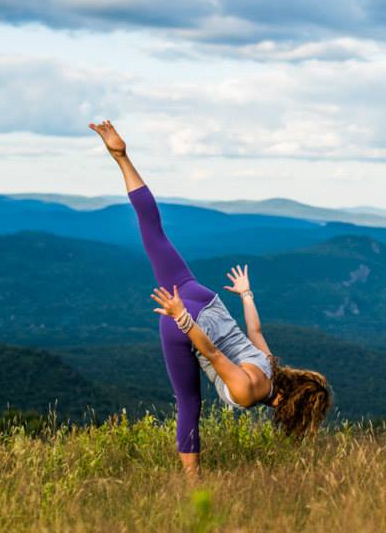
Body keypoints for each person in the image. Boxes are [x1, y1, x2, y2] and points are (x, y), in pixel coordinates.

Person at [89, 120, 331, 476]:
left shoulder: (268, 365)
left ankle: (121, 158)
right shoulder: (248, 391)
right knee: (189, 402)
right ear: (289, 410)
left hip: (205, 298)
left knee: (154, 233)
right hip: (186, 322)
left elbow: (256, 331)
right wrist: (180, 317)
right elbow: (213, 353)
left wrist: (246, 293)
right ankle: (191, 483)